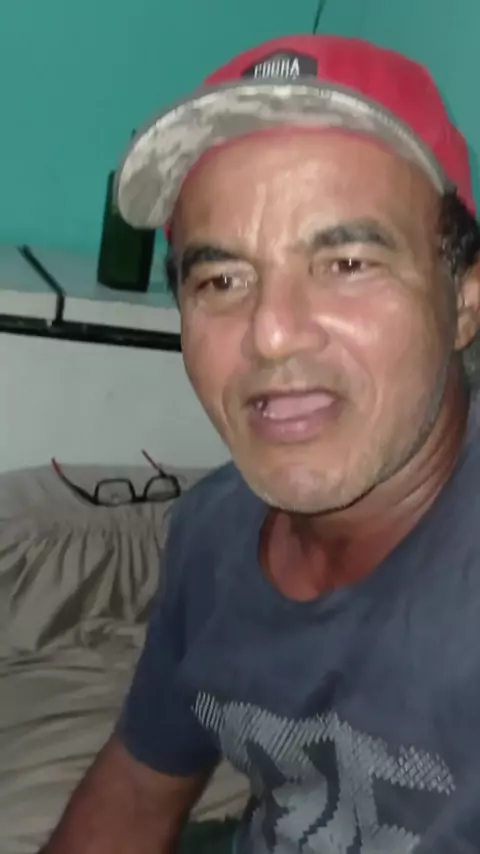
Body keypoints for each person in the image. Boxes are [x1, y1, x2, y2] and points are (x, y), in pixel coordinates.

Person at [43, 33, 480, 854]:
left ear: (463, 300)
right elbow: (138, 789)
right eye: (222, 280)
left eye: (347, 262)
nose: (272, 333)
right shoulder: (211, 532)